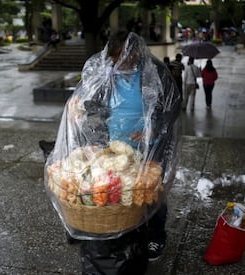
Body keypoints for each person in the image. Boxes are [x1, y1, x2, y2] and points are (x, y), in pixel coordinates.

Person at [42, 31, 182, 274]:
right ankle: (126, 231)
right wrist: (81, 107)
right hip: (115, 145)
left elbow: (171, 106)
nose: (120, 63)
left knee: (151, 191)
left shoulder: (154, 73)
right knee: (121, 191)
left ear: (136, 53)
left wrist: (154, 130)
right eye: (116, 58)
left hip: (149, 145)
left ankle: (155, 236)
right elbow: (93, 99)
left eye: (124, 57)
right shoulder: (107, 72)